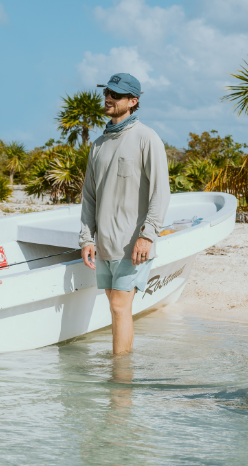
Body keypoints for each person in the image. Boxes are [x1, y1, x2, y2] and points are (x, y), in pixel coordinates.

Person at [80, 73, 170, 355]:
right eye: (107, 92)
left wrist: (148, 236)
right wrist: (86, 238)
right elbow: (89, 197)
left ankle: (120, 383)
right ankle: (119, 379)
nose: (108, 98)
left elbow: (160, 193)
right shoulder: (98, 145)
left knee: (120, 308)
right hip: (104, 246)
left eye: (116, 95)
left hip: (133, 245)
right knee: (115, 307)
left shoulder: (147, 138)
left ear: (133, 101)